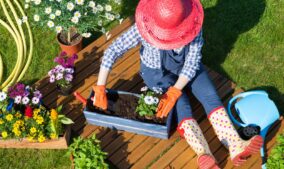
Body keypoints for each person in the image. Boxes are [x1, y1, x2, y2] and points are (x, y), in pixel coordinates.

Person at [92, 0, 263, 168]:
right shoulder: (144, 27)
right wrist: (100, 87)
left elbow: (192, 62)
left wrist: (175, 90)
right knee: (182, 105)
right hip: (157, 74)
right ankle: (204, 154)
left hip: (188, 69)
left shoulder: (192, 26)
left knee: (209, 94)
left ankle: (235, 144)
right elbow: (113, 50)